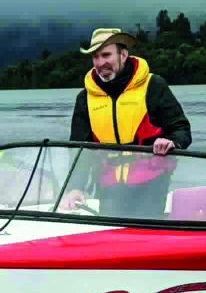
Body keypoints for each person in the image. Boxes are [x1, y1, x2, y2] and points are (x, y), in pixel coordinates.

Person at [64, 28, 192, 217]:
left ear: (123, 55)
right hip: (108, 185)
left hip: (151, 183)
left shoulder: (154, 86)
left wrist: (172, 142)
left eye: (106, 55)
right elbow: (79, 149)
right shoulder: (84, 98)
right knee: (111, 238)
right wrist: (75, 187)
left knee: (145, 235)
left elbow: (181, 129)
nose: (100, 63)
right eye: (95, 57)